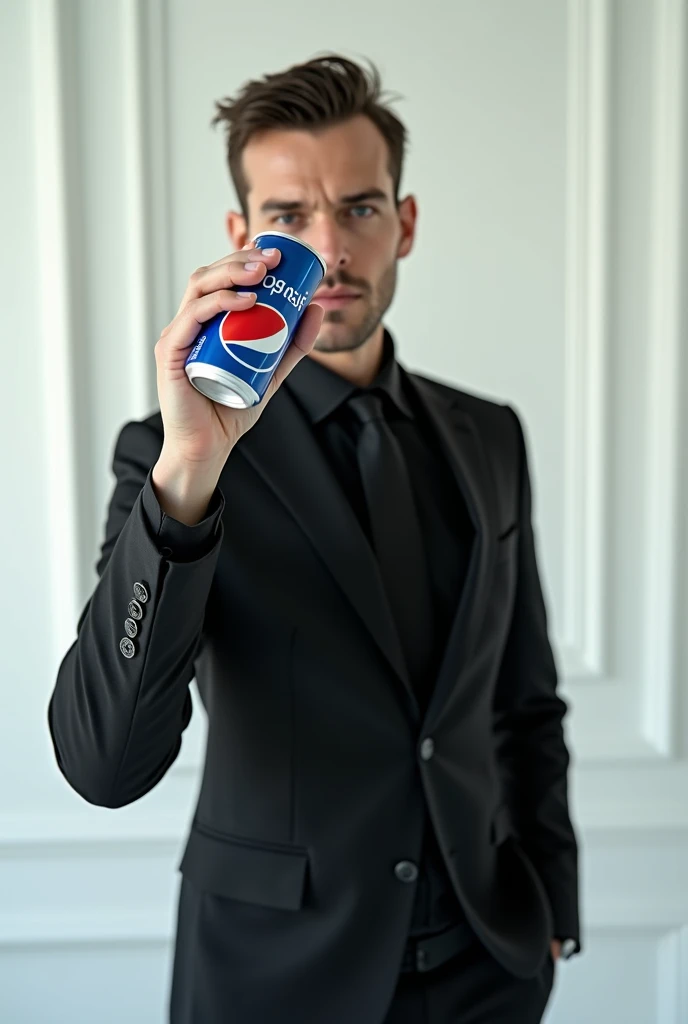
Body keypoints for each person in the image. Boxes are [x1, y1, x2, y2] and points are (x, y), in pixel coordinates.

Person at [47, 53, 581, 1024]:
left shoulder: (487, 434)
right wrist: (190, 471)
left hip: (485, 968)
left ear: (404, 223)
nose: (329, 251)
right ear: (241, 237)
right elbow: (104, 764)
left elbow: (522, 699)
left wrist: (551, 908)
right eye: (289, 217)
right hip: (276, 977)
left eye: (360, 208)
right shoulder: (167, 455)